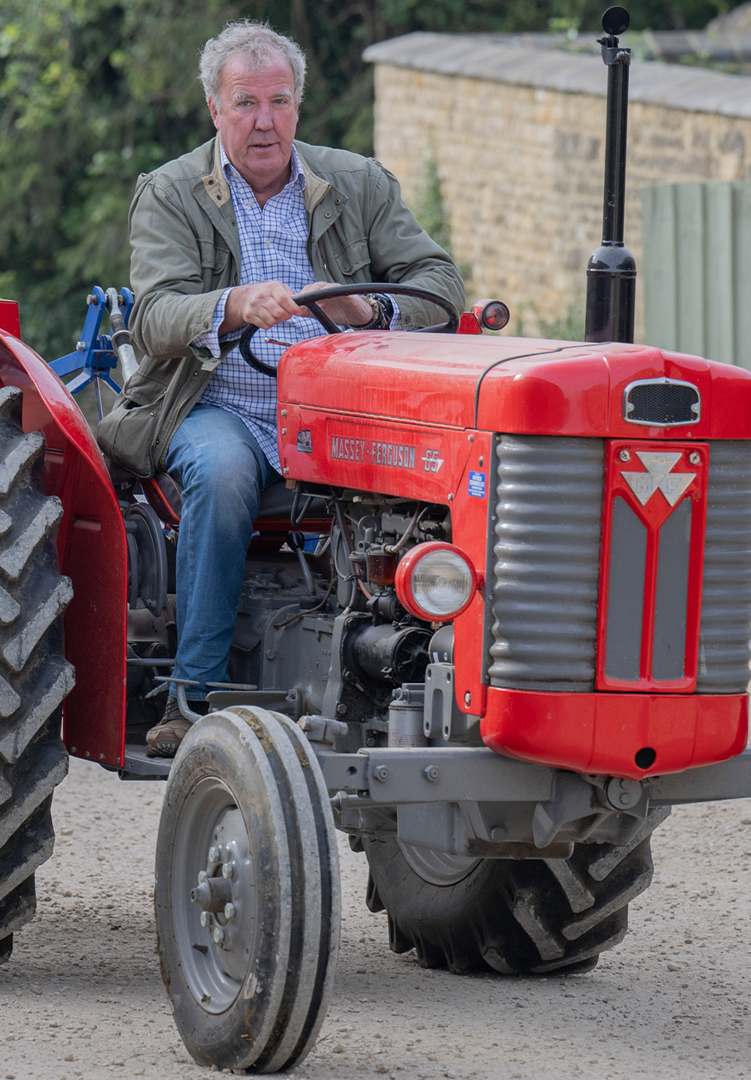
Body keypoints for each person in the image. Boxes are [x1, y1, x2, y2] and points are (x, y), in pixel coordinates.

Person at [95, 20, 465, 756]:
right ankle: (193, 696)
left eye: (278, 101)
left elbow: (441, 288)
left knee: (445, 481)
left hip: (338, 412)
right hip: (212, 402)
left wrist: (371, 310)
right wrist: (231, 304)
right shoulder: (169, 192)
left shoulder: (358, 183)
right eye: (244, 103)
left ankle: (427, 681)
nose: (263, 121)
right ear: (214, 109)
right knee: (226, 472)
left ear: (298, 106)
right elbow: (156, 320)